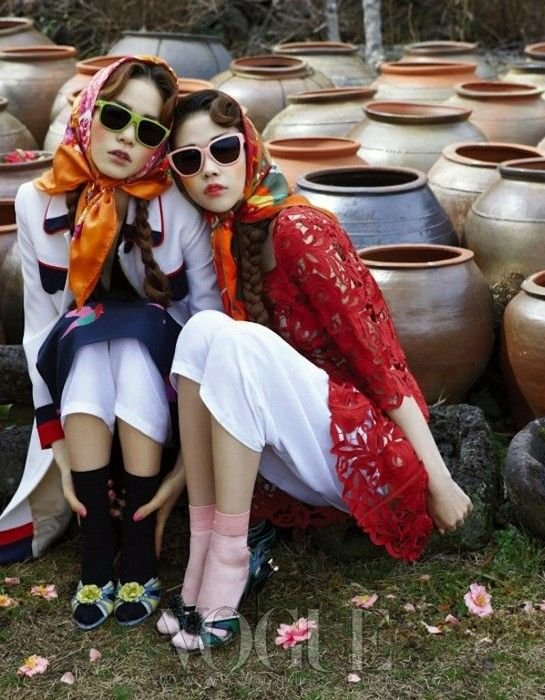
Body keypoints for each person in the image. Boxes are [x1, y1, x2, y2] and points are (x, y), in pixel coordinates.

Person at [150, 89, 472, 652]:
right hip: (301, 444)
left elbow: (383, 364)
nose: (211, 170)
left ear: (249, 148)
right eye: (189, 160)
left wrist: (440, 481)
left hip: (365, 451)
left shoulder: (300, 230)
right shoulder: (226, 235)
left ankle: (230, 558)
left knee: (235, 340)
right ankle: (206, 551)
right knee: (202, 331)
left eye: (223, 150)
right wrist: (177, 477)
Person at [7, 59, 221, 631]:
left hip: (166, 386)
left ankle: (136, 542)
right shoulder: (36, 201)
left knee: (127, 335)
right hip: (79, 380)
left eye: (148, 130)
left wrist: (189, 464)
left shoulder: (178, 206)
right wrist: (54, 444)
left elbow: (208, 327)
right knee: (89, 334)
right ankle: (99, 544)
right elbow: (40, 329)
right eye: (116, 117)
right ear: (88, 113)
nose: (128, 137)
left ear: (159, 145)